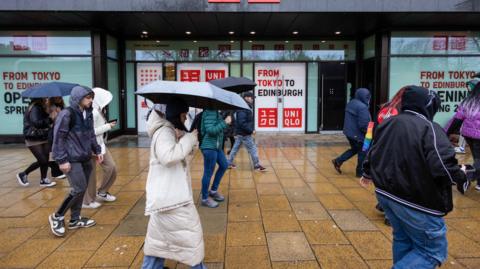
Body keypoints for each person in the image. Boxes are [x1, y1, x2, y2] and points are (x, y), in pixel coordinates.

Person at [361, 86, 469, 268]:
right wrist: (460, 174)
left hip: (386, 194)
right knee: (431, 253)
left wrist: (367, 172)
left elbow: (374, 151)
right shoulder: (430, 129)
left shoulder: (389, 123)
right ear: (429, 106)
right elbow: (443, 167)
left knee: (403, 239)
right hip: (417, 201)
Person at [142, 100, 206, 269]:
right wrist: (189, 139)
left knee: (159, 241)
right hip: (172, 198)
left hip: (167, 195)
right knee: (191, 238)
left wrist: (187, 140)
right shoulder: (164, 132)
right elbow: (168, 157)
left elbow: (182, 158)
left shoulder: (169, 130)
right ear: (176, 115)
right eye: (184, 115)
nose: (185, 119)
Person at [48, 86, 103, 237]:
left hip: (85, 156)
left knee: (82, 188)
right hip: (71, 158)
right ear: (78, 98)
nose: (91, 100)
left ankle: (75, 219)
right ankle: (57, 216)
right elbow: (58, 138)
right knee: (78, 188)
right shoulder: (67, 114)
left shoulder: (88, 112)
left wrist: (97, 150)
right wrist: (61, 160)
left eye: (91, 97)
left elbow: (91, 133)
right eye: (87, 97)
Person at [83, 87, 118, 209]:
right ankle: (88, 200)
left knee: (111, 167)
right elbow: (91, 132)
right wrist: (108, 126)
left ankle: (102, 191)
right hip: (93, 145)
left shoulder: (98, 110)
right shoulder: (92, 112)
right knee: (91, 174)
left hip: (100, 144)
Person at [447, 79, 480, 190]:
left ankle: (479, 183)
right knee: (478, 161)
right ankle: (464, 177)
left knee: (477, 159)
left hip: (468, 134)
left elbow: (457, 119)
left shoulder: (468, 101)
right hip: (478, 136)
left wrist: (446, 132)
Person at [17, 98, 58, 187]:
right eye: (45, 97)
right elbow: (36, 123)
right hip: (33, 137)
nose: (47, 99)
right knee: (42, 160)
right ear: (40, 98)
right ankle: (23, 173)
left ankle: (43, 179)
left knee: (44, 160)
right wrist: (50, 118)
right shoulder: (35, 107)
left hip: (42, 136)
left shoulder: (41, 107)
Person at [332, 88, 371, 177]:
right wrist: (369, 133)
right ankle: (360, 172)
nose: (369, 99)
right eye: (368, 97)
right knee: (363, 151)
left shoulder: (352, 102)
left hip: (349, 133)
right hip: (358, 135)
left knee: (355, 149)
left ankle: (338, 161)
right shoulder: (362, 107)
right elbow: (364, 125)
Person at [199, 109, 232, 208]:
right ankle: (204, 198)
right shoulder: (210, 112)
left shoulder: (215, 112)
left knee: (224, 165)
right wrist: (225, 122)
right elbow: (210, 130)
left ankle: (213, 191)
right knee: (208, 172)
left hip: (216, 147)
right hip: (209, 147)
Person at [227, 92, 266, 171]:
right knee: (252, 148)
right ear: (247, 98)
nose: (253, 100)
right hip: (244, 133)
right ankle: (257, 165)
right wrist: (251, 130)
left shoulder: (244, 107)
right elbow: (242, 123)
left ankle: (228, 163)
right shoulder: (243, 108)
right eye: (252, 98)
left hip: (241, 132)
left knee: (235, 148)